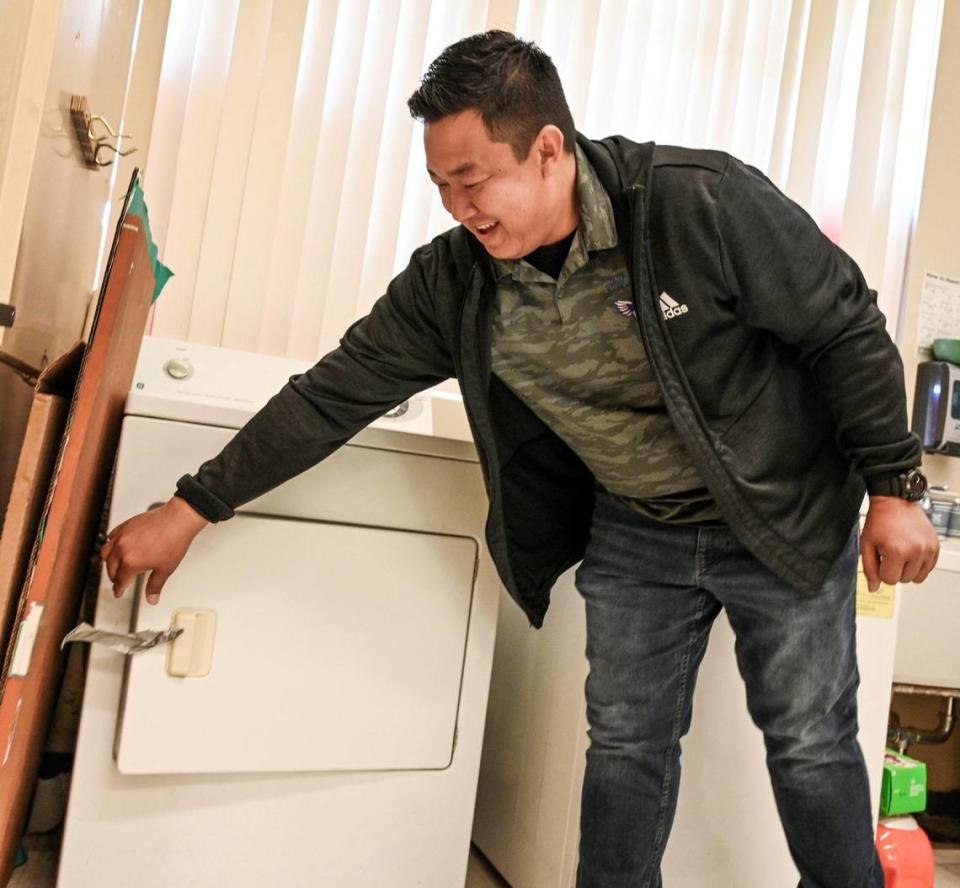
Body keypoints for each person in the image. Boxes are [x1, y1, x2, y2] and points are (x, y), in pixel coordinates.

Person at [101, 30, 939, 888]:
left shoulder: (700, 205)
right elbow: (331, 393)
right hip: (639, 526)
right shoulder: (455, 282)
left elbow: (844, 324)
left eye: (472, 180)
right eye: (440, 186)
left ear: (548, 151)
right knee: (624, 745)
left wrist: (895, 488)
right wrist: (191, 506)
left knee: (808, 740)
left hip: (780, 509)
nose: (458, 206)